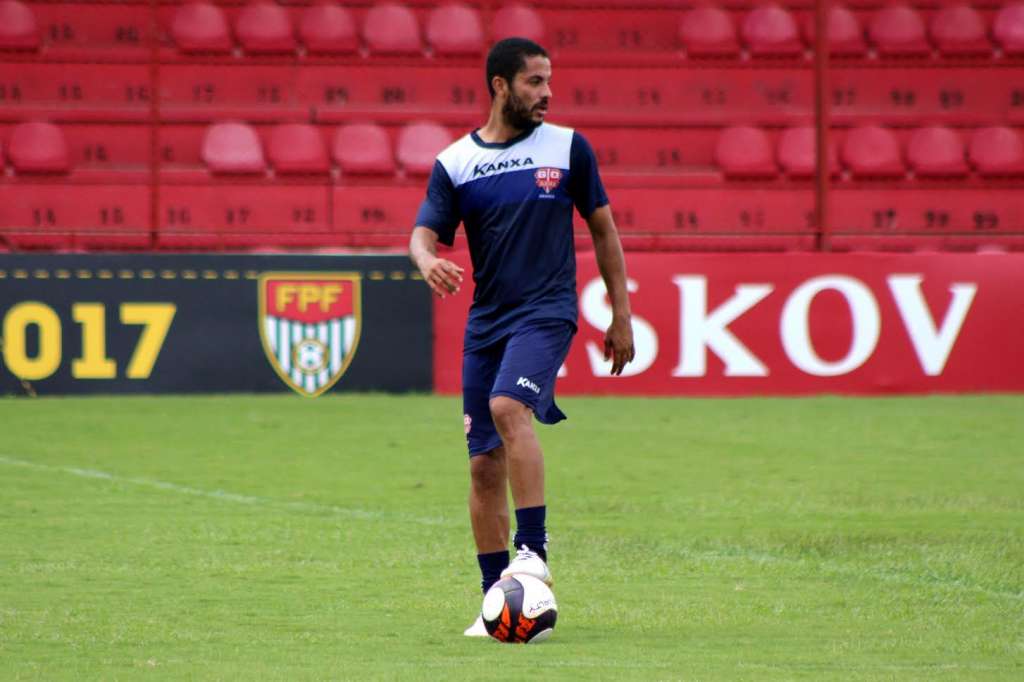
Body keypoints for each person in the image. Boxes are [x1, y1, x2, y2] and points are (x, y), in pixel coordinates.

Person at [408, 37, 635, 637]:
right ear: (501, 86)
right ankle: (495, 602)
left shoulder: (567, 149)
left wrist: (621, 313)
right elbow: (423, 235)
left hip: (546, 310)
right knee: (483, 464)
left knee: (509, 406)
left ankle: (532, 549)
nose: (547, 92)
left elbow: (605, 231)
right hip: (487, 323)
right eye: (534, 81)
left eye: (549, 80)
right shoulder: (457, 162)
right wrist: (425, 259)